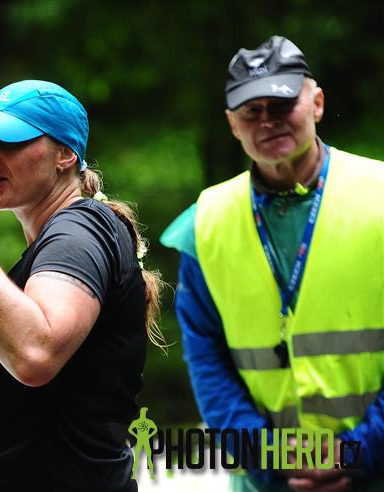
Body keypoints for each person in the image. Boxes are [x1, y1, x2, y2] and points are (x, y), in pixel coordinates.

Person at [0, 79, 164, 491]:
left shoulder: (79, 231)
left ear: (65, 154)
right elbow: (72, 383)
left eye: (10, 141)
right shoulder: (62, 237)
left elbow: (35, 354)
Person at [160, 36, 384, 492]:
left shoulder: (378, 196)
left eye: (282, 105)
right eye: (251, 111)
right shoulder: (205, 223)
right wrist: (270, 458)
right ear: (232, 124)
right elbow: (207, 360)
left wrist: (360, 451)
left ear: (317, 103)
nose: (268, 121)